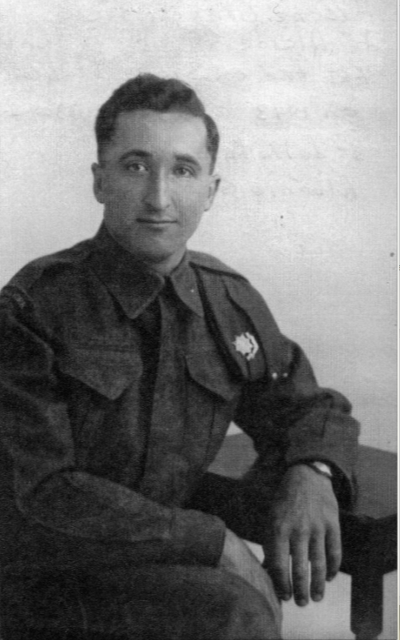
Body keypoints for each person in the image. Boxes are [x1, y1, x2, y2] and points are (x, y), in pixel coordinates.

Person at [0, 74, 359, 640]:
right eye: (136, 166)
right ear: (99, 180)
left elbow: (310, 406)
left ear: (211, 190)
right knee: (233, 613)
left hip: (157, 568)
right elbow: (40, 496)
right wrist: (213, 542)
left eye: (184, 170)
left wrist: (312, 473)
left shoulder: (226, 303)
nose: (159, 198)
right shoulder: (33, 309)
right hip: (40, 581)